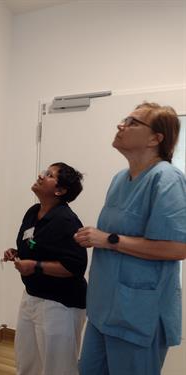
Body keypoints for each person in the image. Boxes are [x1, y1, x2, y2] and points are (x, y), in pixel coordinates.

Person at [75, 102, 186, 375]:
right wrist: (95, 237)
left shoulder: (167, 179)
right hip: (103, 309)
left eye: (133, 122)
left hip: (138, 314)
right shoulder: (119, 179)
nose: (121, 125)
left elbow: (177, 247)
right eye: (124, 119)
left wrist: (108, 239)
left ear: (155, 138)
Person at [3, 162, 87, 375]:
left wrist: (35, 266)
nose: (40, 176)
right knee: (27, 361)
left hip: (60, 304)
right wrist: (16, 252)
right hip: (31, 296)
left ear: (60, 191)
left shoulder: (67, 221)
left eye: (49, 175)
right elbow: (34, 245)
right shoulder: (33, 212)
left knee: (58, 368)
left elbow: (75, 266)